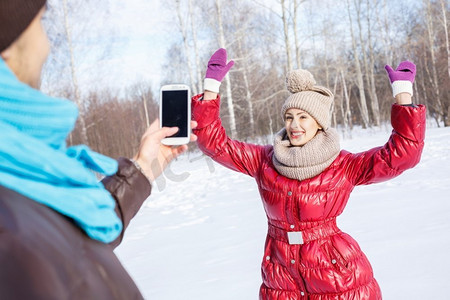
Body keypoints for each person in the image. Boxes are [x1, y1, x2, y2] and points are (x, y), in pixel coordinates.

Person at [0, 1, 197, 299]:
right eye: (40, 23)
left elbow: (73, 231)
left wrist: (144, 166)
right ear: (7, 45)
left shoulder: (26, 171)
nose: (47, 45)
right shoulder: (11, 223)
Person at [192, 48, 425, 299]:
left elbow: (401, 156)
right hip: (282, 276)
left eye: (303, 117)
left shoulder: (342, 165)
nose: (294, 125)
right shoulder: (265, 161)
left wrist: (403, 95)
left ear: (318, 122)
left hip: (335, 276)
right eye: (289, 117)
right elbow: (215, 144)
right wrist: (211, 88)